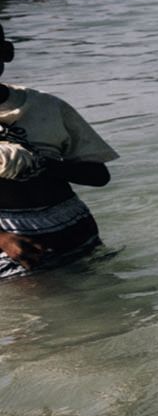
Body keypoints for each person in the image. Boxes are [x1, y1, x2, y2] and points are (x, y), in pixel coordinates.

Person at [0, 19, 117, 279]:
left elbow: (99, 176)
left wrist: (44, 163)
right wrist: (4, 239)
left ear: (6, 52)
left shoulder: (46, 106)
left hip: (73, 225)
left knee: (113, 309)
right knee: (38, 313)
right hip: (11, 239)